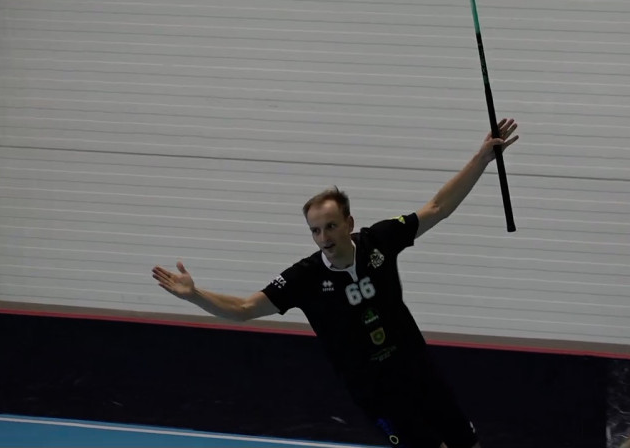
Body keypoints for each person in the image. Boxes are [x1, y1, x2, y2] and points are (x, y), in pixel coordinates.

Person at [152, 118, 519, 448]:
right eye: (315, 230)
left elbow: (438, 207)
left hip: (419, 371)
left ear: (349, 223)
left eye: (330, 226)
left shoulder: (379, 241)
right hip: (377, 393)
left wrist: (482, 159)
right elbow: (245, 308)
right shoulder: (305, 277)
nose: (324, 237)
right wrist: (195, 295)